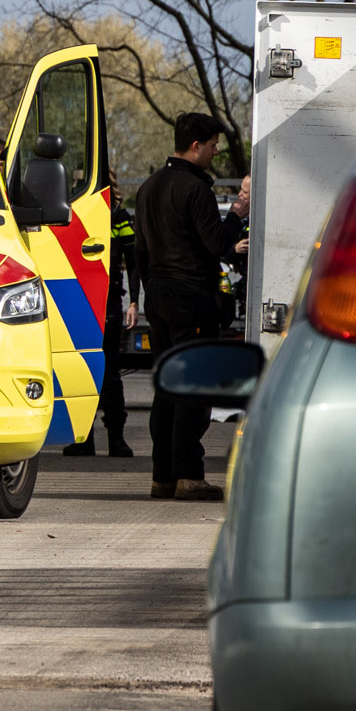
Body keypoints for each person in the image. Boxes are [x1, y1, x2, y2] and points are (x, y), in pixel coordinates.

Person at [133, 113, 248, 501]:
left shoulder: (148, 187)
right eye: (213, 145)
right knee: (194, 388)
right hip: (192, 298)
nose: (216, 151)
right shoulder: (195, 189)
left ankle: (162, 476)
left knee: (166, 388)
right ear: (196, 146)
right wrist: (237, 215)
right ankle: (189, 475)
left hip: (159, 297)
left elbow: (141, 251)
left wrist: (151, 290)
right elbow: (216, 243)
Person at [62, 190, 139, 457]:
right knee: (82, 369)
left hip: (107, 303)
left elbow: (133, 259)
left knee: (110, 373)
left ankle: (116, 439)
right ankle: (83, 438)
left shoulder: (117, 216)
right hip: (81, 300)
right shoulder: (72, 213)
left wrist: (134, 301)